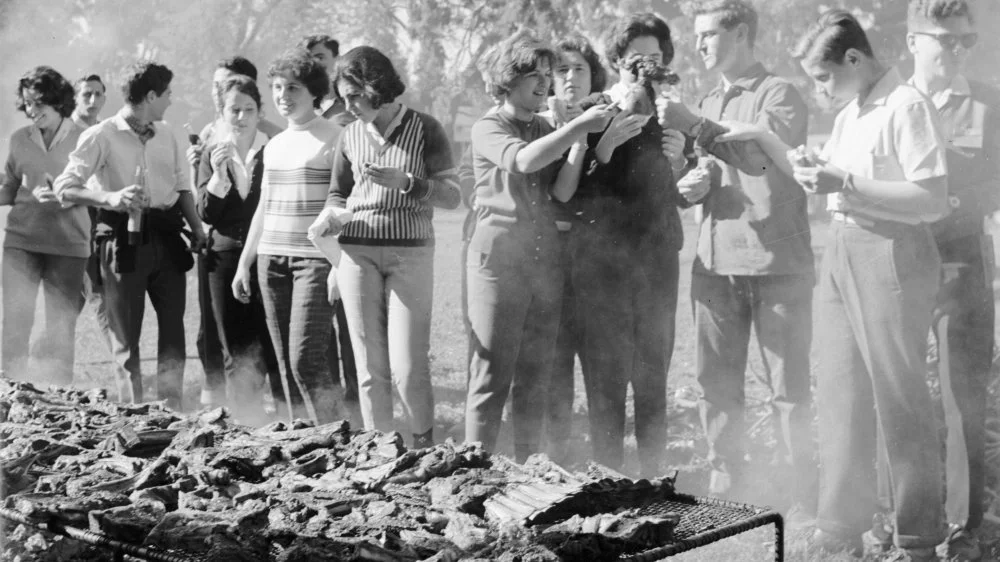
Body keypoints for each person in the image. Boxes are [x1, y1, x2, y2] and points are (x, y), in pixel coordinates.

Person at [790, 10, 949, 560]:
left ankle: (918, 537)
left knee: (899, 398)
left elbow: (929, 199)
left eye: (824, 77)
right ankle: (840, 524)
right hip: (840, 248)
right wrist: (813, 167)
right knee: (839, 391)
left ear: (855, 59)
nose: (820, 91)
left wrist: (847, 181)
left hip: (890, 253)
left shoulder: (907, 106)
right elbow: (835, 180)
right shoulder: (851, 111)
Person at [681, 0, 816, 512]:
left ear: (740, 35)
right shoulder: (709, 99)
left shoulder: (778, 93)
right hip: (715, 263)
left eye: (709, 34)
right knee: (715, 384)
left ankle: (797, 495)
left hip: (775, 267)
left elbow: (759, 161)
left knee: (788, 390)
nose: (699, 45)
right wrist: (694, 185)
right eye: (697, 36)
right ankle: (729, 486)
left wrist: (696, 125)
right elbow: (715, 173)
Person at [465, 30, 612, 462]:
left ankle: (526, 471)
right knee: (491, 374)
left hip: (542, 257)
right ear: (506, 79)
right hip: (498, 259)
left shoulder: (547, 126)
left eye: (547, 74)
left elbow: (563, 193)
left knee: (535, 374)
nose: (545, 82)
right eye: (534, 74)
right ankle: (471, 471)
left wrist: (580, 139)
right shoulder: (488, 125)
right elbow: (522, 160)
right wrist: (578, 125)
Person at [319, 46, 460, 447]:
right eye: (342, 98)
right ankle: (379, 453)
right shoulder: (348, 135)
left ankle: (424, 451)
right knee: (369, 368)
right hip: (355, 255)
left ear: (375, 85)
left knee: (408, 367)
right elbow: (337, 194)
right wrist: (330, 215)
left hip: (411, 255)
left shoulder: (425, 128)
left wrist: (409, 184)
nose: (347, 106)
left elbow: (452, 196)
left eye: (353, 95)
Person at [898, 2, 997, 559]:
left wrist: (949, 199)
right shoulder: (888, 100)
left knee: (964, 395)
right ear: (913, 41)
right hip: (896, 261)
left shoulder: (989, 102)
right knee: (899, 387)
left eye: (967, 40)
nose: (958, 51)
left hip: (961, 261)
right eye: (946, 40)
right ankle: (903, 516)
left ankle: (964, 526)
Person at [55, 61, 207, 411]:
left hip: (168, 239)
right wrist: (110, 197)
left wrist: (197, 228)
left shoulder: (168, 133)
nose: (171, 100)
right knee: (126, 337)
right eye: (167, 94)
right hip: (121, 241)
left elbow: (183, 186)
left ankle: (173, 413)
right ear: (150, 96)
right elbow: (65, 187)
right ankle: (134, 416)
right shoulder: (101, 135)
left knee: (173, 333)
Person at [232, 50, 342, 424]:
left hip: (314, 262)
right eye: (277, 87)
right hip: (271, 261)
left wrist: (338, 265)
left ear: (314, 91)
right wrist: (245, 263)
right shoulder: (274, 144)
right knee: (283, 362)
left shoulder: (335, 137)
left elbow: (341, 207)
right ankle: (305, 442)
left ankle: (337, 439)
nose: (283, 95)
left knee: (305, 359)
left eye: (292, 87)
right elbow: (265, 205)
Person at [189, 55, 282, 408]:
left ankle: (292, 422)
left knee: (271, 340)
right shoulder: (212, 150)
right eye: (233, 110)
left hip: (268, 252)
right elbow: (205, 211)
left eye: (247, 109)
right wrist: (217, 175)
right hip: (223, 256)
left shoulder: (273, 147)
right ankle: (248, 419)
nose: (240, 117)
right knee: (234, 346)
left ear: (259, 111)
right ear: (223, 114)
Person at [540, 34, 607, 465]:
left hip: (597, 253)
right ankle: (557, 456)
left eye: (578, 68)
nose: (569, 77)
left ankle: (606, 459)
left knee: (599, 355)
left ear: (593, 75)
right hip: (547, 252)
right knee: (553, 356)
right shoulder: (539, 122)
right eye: (561, 70)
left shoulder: (611, 116)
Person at [0, 66, 90, 385]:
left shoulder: (84, 139)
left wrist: (64, 198)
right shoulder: (18, 139)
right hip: (20, 243)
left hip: (68, 246)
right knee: (14, 323)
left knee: (60, 329)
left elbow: (99, 193)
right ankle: (9, 397)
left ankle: (58, 400)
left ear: (58, 101)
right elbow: (8, 189)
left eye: (38, 103)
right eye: (26, 103)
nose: (31, 111)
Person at [302, 33, 360, 411]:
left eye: (321, 59)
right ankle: (334, 407)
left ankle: (360, 407)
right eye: (309, 60)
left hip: (348, 229)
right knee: (319, 333)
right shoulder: (308, 114)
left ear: (336, 63)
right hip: (313, 235)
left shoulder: (349, 112)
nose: (315, 66)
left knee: (352, 328)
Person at [69, 74, 114, 358]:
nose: (93, 100)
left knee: (70, 304)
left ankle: (45, 371)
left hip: (102, 225)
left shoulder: (106, 131)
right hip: (71, 228)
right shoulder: (63, 133)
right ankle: (125, 373)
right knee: (100, 295)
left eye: (98, 94)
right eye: (86, 94)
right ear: (75, 98)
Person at [300, 34, 353, 126]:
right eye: (307, 60)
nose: (313, 64)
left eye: (320, 58)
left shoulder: (355, 100)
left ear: (338, 59)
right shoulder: (305, 109)